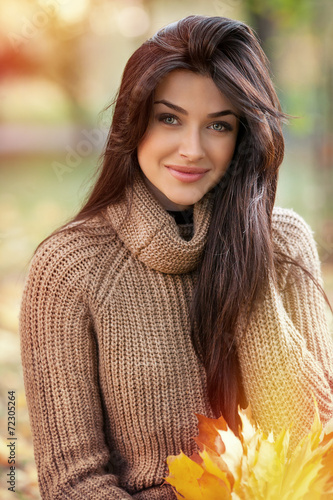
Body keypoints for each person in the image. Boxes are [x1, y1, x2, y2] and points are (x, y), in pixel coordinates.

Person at [19, 14, 333, 500]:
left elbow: (319, 445)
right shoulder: (70, 267)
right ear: (134, 121)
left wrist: (246, 251)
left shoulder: (283, 241)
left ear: (244, 138)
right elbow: (74, 483)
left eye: (219, 126)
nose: (191, 149)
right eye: (170, 118)